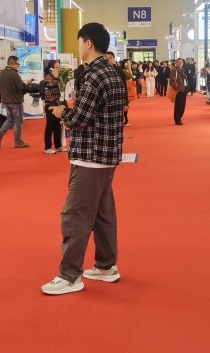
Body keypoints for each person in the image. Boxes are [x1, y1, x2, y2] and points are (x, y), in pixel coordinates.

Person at [40, 22, 127, 295]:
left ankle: (70, 275)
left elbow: (79, 119)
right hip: (106, 155)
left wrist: (61, 113)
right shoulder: (112, 72)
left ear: (88, 43)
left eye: (79, 42)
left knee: (75, 215)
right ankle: (106, 266)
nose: (78, 47)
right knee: (103, 214)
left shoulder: (94, 75)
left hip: (90, 156)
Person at [0, 55, 31, 149]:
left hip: (5, 101)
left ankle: (0, 134)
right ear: (13, 64)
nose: (18, 66)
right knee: (18, 122)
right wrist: (28, 86)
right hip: (15, 101)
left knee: (10, 119)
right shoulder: (14, 74)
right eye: (18, 64)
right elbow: (21, 88)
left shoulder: (1, 73)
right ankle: (18, 141)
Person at [41, 60, 65, 154]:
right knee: (50, 126)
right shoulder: (48, 78)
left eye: (59, 66)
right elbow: (52, 91)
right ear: (51, 68)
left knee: (58, 126)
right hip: (50, 105)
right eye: (56, 67)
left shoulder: (59, 77)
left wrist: (58, 78)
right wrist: (55, 78)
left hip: (58, 104)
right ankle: (47, 147)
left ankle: (58, 145)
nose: (58, 68)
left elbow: (62, 88)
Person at [107, 52, 129, 127]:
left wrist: (126, 102)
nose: (107, 61)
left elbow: (124, 87)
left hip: (118, 99)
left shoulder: (119, 71)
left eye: (109, 58)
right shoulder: (103, 71)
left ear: (113, 59)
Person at [170, 57, 188, 125]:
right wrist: (176, 88)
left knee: (182, 105)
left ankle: (179, 117)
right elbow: (172, 81)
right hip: (178, 90)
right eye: (178, 62)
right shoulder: (174, 70)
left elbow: (186, 80)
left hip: (184, 90)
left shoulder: (183, 70)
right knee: (178, 106)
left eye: (180, 62)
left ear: (182, 63)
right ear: (176, 63)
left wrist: (187, 88)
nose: (179, 63)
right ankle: (177, 119)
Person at [121, 59, 136, 126]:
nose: (129, 64)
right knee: (125, 105)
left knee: (126, 105)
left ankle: (125, 119)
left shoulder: (126, 70)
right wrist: (129, 68)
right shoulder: (124, 70)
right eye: (128, 63)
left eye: (130, 63)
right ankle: (125, 120)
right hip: (124, 88)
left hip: (127, 88)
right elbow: (130, 76)